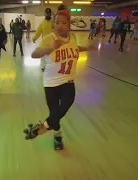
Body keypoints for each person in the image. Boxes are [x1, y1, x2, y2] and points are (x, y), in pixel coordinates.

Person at [27, 6, 96, 150]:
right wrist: (51, 48)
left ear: (69, 24)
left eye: (63, 23)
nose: (60, 25)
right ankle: (57, 137)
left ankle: (41, 128)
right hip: (51, 84)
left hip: (68, 82)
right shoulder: (49, 39)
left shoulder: (71, 37)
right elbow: (34, 54)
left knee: (64, 107)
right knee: (55, 115)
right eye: (57, 22)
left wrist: (87, 48)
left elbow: (74, 48)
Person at [32, 8, 54, 72]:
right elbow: (38, 32)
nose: (48, 14)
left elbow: (57, 31)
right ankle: (44, 67)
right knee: (43, 55)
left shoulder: (53, 22)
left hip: (52, 42)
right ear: (45, 14)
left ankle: (52, 66)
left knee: (52, 55)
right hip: (45, 42)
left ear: (50, 14)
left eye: (49, 13)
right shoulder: (42, 23)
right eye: (47, 13)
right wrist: (34, 38)